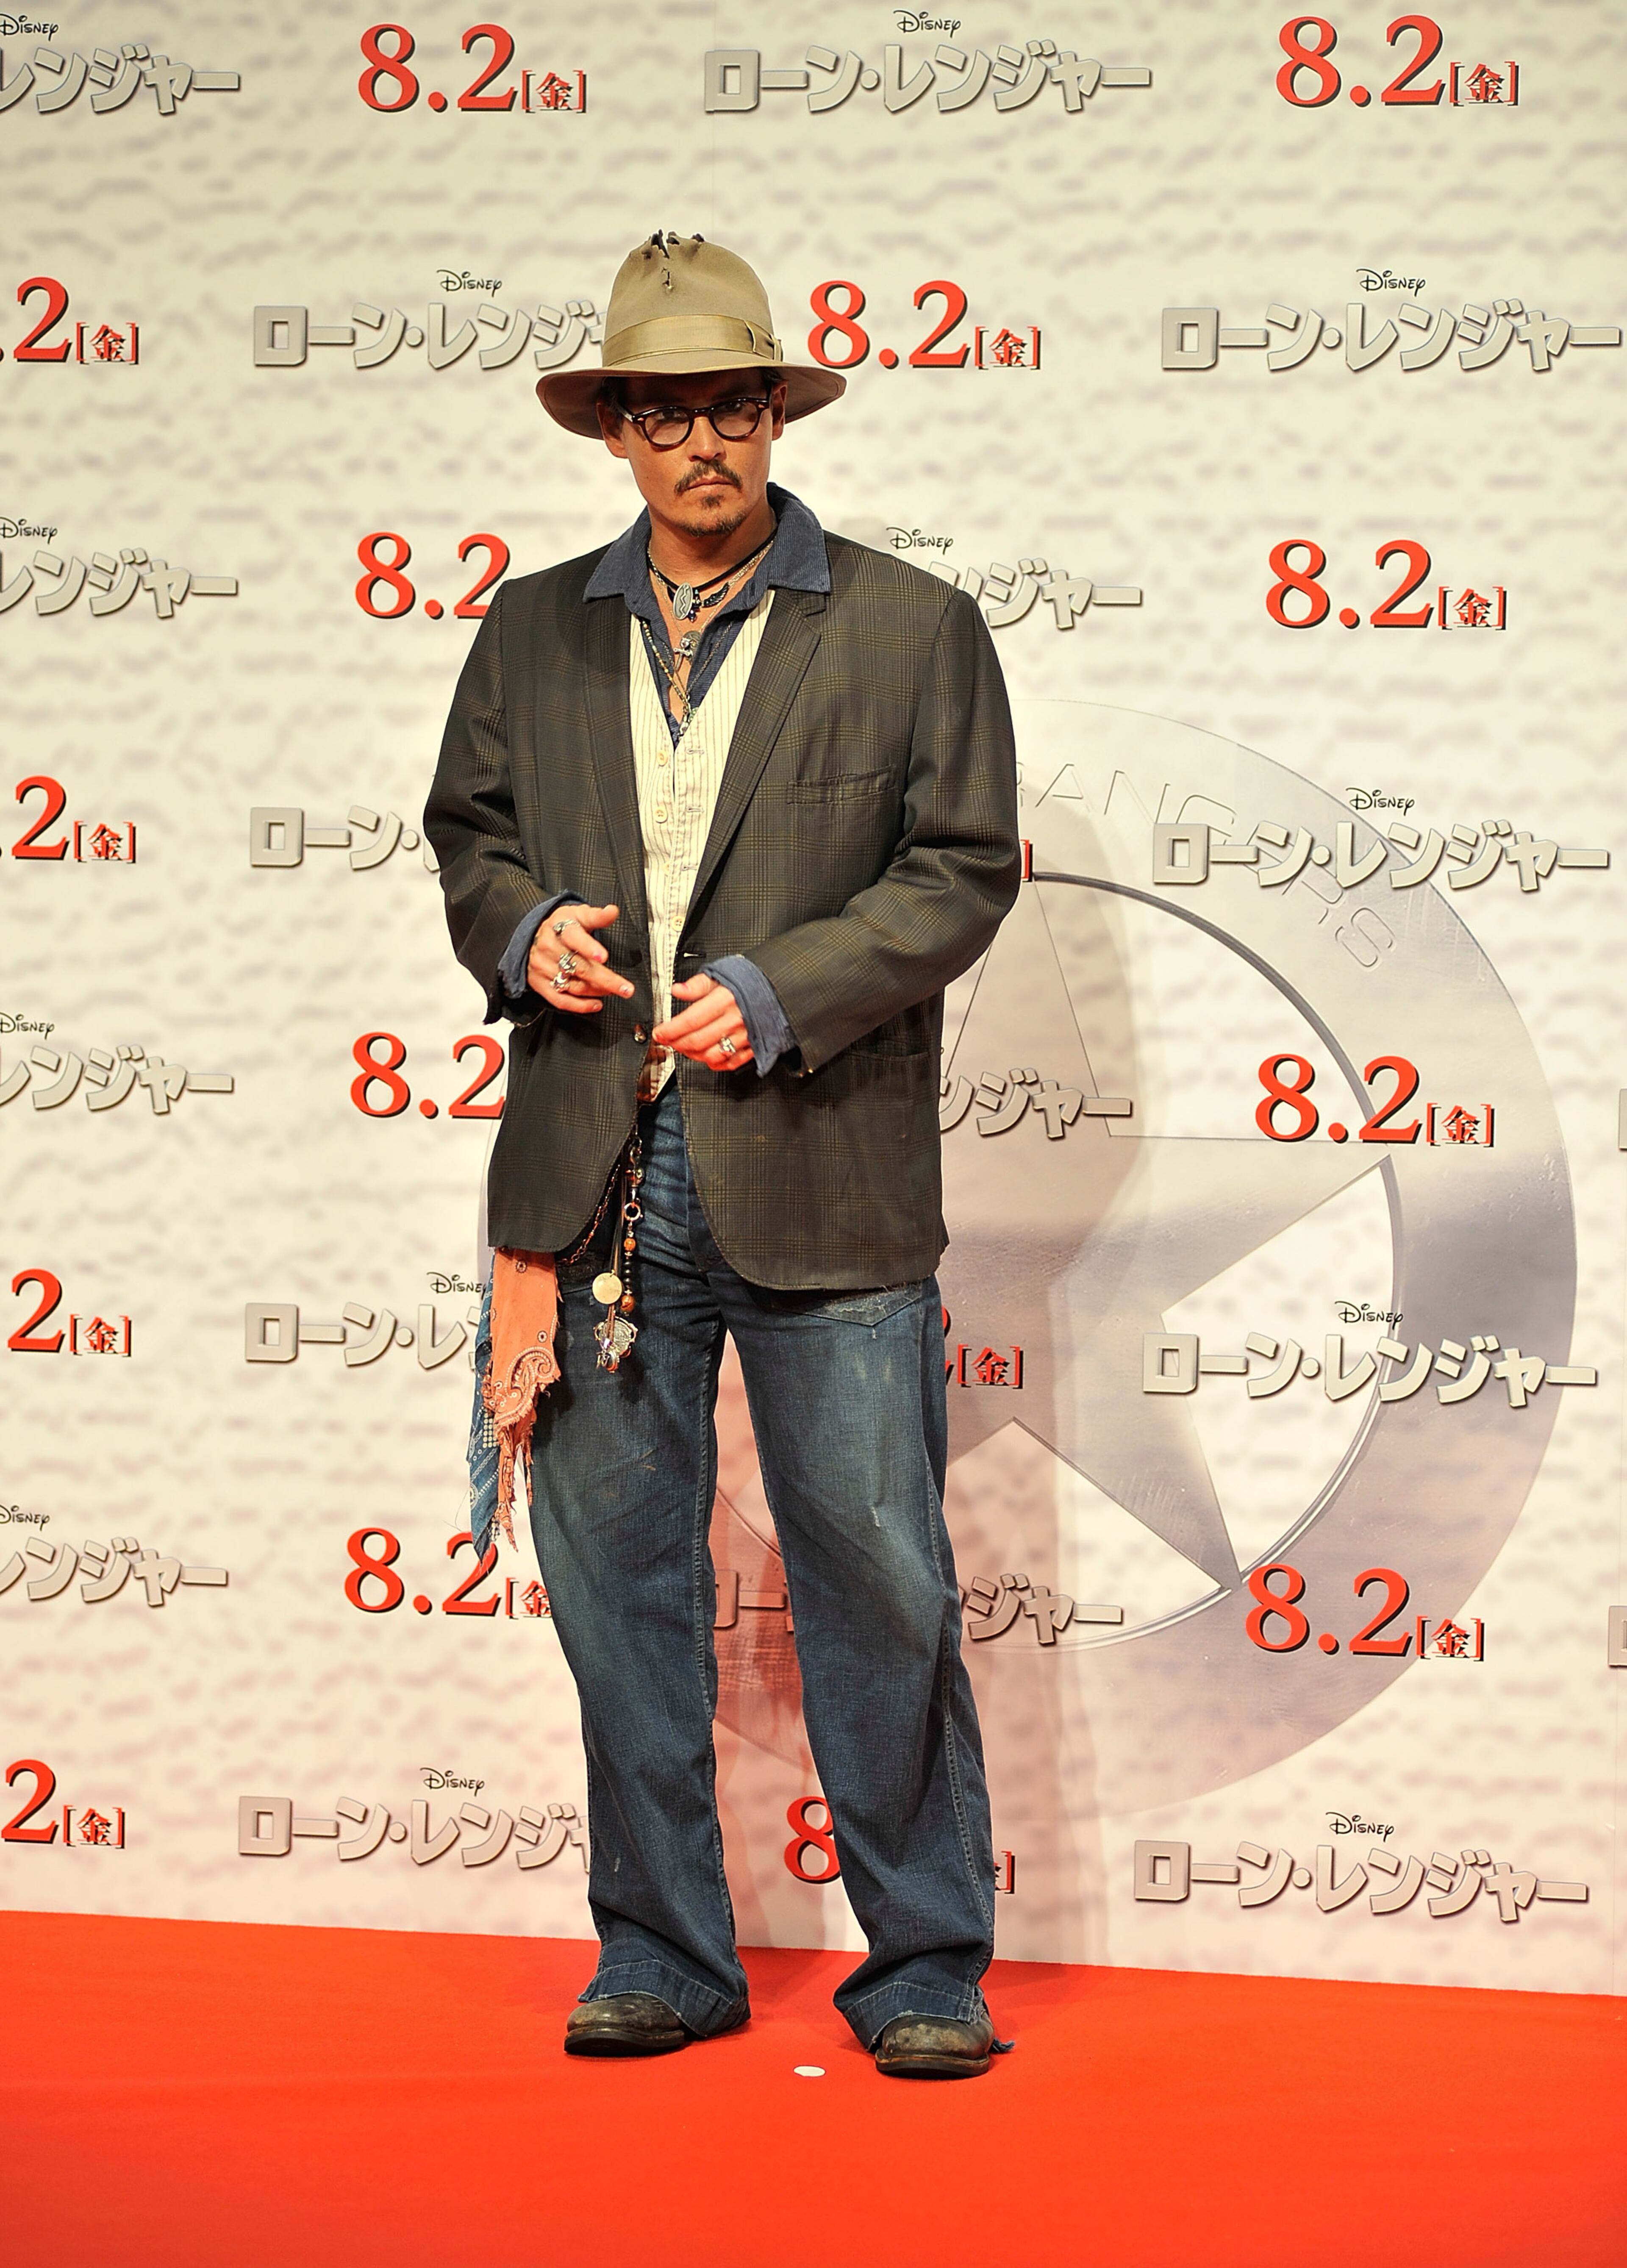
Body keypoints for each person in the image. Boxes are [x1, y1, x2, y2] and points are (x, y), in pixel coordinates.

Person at [425, 232, 1019, 2079]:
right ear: (615, 432)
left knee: (882, 1574)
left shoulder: (912, 625)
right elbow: (472, 838)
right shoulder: (530, 628)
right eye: (666, 411)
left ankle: (924, 1960)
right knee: (620, 1586)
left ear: (779, 413)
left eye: (735, 404)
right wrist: (521, 930)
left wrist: (783, 986)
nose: (705, 441)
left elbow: (964, 868)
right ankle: (668, 1949)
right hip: (590, 1188)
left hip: (826, 1173)